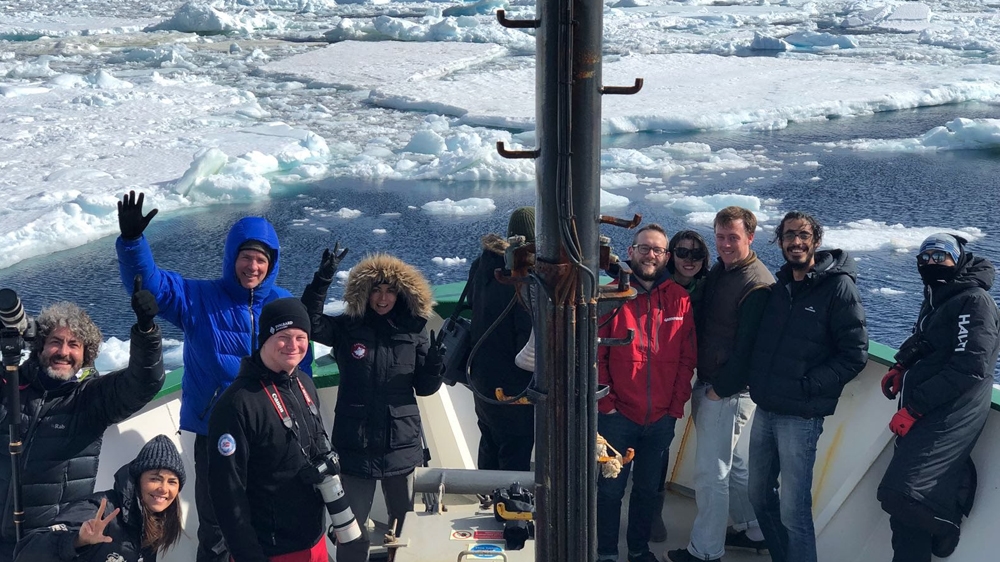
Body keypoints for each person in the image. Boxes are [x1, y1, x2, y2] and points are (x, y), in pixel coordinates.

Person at [114, 190, 310, 562]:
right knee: (219, 528)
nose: (253, 267)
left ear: (272, 264)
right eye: (246, 257)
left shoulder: (281, 304)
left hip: (271, 432)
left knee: (270, 521)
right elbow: (151, 285)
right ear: (231, 258)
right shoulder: (199, 298)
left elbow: (302, 366)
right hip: (216, 433)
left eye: (261, 260)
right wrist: (132, 242)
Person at [0, 284, 164, 560]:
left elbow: (144, 383)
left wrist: (146, 331)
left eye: (74, 345)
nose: (63, 351)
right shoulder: (11, 386)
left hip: (50, 542)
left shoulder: (90, 400)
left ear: (85, 356)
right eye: (55, 341)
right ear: (39, 347)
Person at [301, 251, 445, 562]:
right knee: (349, 532)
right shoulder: (347, 328)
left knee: (406, 531)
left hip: (401, 446)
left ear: (402, 293)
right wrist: (323, 277)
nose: (382, 298)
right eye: (376, 290)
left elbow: (426, 388)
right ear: (364, 292)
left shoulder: (413, 332)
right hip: (355, 446)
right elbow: (309, 323)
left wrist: (435, 363)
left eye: (390, 290)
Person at [746, 211, 868, 562]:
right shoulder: (782, 286)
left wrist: (808, 385)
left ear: (816, 240)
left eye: (802, 235)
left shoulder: (838, 287)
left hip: (800, 415)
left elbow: (854, 354)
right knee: (758, 495)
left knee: (793, 510)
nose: (795, 242)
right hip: (767, 407)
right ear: (780, 241)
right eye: (788, 236)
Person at [877, 233, 1000, 562]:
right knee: (903, 519)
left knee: (903, 496)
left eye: (941, 256)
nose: (932, 262)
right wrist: (902, 365)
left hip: (950, 414)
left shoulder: (974, 301)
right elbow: (927, 341)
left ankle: (947, 526)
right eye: (926, 256)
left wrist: (914, 409)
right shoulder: (940, 297)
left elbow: (969, 367)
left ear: (958, 259)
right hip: (926, 411)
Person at [667, 209, 773, 562]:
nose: (726, 244)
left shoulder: (756, 284)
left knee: (712, 474)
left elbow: (751, 349)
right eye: (721, 237)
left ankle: (705, 551)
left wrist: (719, 390)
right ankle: (755, 528)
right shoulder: (723, 272)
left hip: (728, 390)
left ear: (750, 238)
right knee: (735, 464)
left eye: (733, 237)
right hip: (717, 383)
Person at [597, 224, 697, 562]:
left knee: (646, 490)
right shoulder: (611, 296)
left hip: (660, 419)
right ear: (631, 252)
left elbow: (687, 357)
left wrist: (674, 406)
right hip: (616, 417)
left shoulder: (679, 300)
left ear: (666, 257)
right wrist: (607, 405)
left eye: (657, 250)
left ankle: (638, 551)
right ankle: (607, 552)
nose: (650, 255)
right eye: (644, 248)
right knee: (610, 489)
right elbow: (597, 356)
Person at [208, 298, 330, 562]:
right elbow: (227, 493)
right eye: (284, 336)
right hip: (271, 550)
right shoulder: (237, 404)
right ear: (265, 338)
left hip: (314, 539)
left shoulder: (304, 384)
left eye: (301, 337)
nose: (294, 346)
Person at [13, 434, 185, 562]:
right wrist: (77, 541)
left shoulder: (153, 520)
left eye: (172, 482)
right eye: (155, 478)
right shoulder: (100, 509)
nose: (164, 488)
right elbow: (25, 553)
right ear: (138, 479)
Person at [467, 207, 535, 472]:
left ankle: (486, 502)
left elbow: (473, 303)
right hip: (512, 385)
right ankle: (509, 509)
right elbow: (526, 342)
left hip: (481, 376)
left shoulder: (483, 264)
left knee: (490, 439)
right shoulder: (522, 278)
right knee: (514, 447)